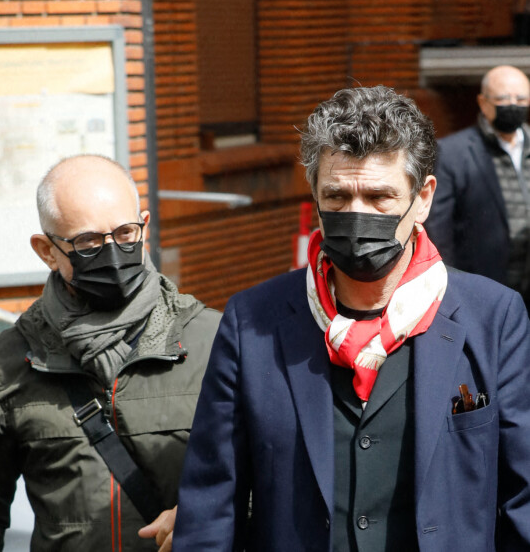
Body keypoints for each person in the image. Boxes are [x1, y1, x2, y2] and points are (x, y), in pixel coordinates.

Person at [171, 86, 530, 551]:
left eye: (379, 196)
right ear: (315, 195)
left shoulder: (493, 317)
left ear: (423, 198)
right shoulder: (252, 322)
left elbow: (522, 496)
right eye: (337, 197)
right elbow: (211, 507)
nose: (356, 215)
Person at [0, 155, 221, 551]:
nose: (112, 253)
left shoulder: (210, 340)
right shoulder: (11, 361)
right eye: (88, 242)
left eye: (126, 233)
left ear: (144, 225)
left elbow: (271, 478)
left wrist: (205, 518)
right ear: (46, 250)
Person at [426, 65, 530, 308]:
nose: (513, 105)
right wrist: (449, 284)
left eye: (522, 98)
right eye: (504, 99)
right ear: (483, 103)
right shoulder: (453, 152)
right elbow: (438, 227)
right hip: (482, 288)